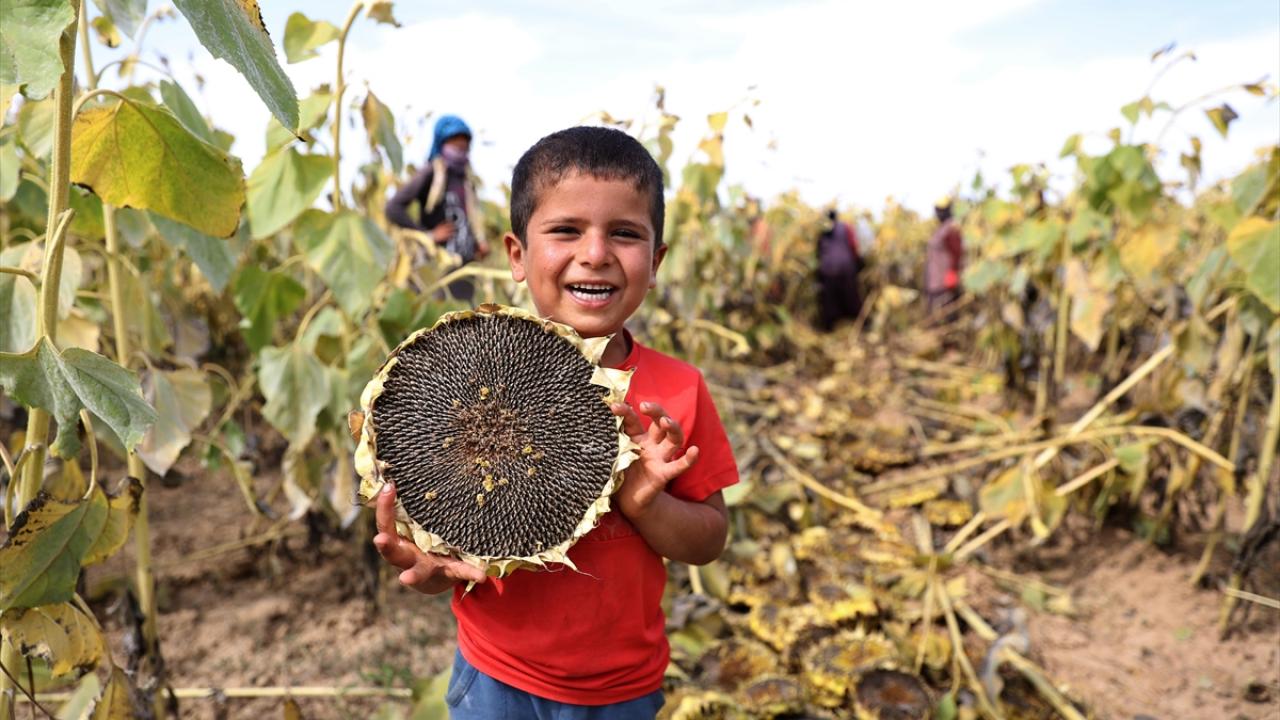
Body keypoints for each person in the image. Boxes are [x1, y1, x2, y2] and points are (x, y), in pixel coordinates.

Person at [371, 126, 739, 719]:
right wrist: (434, 563)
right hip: (495, 676)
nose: (595, 253)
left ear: (655, 263)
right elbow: (454, 533)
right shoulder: (469, 370)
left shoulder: (677, 392)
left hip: (622, 688)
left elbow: (710, 539)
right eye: (566, 230)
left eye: (624, 234)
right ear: (517, 256)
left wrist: (646, 502)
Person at [385, 114, 490, 301]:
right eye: (456, 143)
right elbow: (393, 208)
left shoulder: (466, 180)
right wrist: (429, 235)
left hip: (464, 268)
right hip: (438, 266)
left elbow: (465, 219)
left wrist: (476, 243)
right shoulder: (432, 173)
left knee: (464, 322)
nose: (461, 148)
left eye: (464, 145)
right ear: (442, 143)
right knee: (437, 320)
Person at [815, 207, 863, 331]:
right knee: (851, 297)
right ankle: (860, 325)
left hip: (827, 269)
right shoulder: (846, 227)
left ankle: (828, 328)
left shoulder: (822, 229)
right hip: (846, 267)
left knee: (830, 300)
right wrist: (858, 262)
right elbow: (854, 246)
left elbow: (819, 251)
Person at [924, 199, 964, 315]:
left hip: (945, 284)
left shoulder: (951, 229)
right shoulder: (942, 229)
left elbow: (957, 253)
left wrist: (952, 274)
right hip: (936, 283)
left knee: (948, 316)